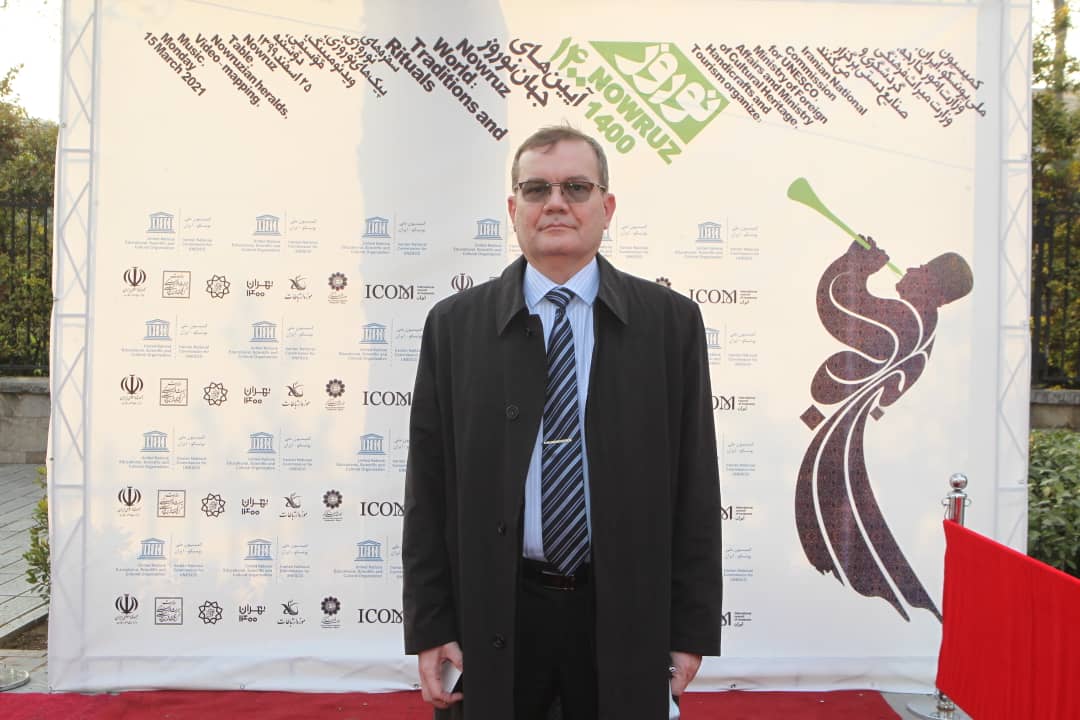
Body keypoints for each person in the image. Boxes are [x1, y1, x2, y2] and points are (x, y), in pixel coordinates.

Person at [402, 125, 723, 719]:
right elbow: (428, 489)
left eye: (576, 187)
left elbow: (696, 487)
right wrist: (430, 624)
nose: (555, 203)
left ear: (607, 207)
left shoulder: (670, 324)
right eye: (536, 189)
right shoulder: (454, 327)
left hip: (623, 611)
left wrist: (690, 629)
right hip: (493, 614)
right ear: (513, 209)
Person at [796, 237, 973, 622]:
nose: (911, 268)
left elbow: (838, 306)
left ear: (937, 292)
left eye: (923, 269)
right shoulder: (921, 324)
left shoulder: (909, 321)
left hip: (836, 444)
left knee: (831, 523)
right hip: (840, 435)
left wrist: (857, 264)